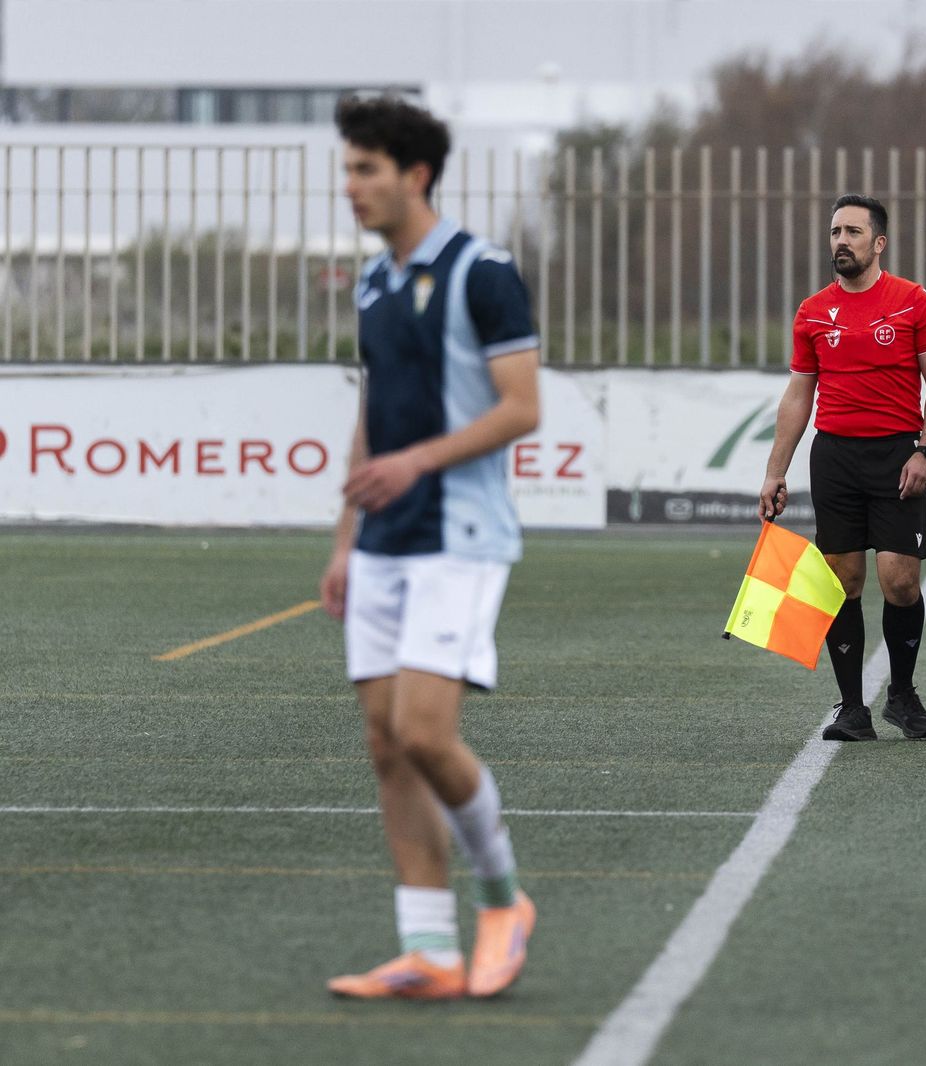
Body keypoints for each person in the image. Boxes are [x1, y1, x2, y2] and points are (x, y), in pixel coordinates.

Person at [318, 96, 541, 1000]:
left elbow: (522, 408)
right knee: (384, 744)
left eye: (365, 169)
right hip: (385, 543)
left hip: (462, 534)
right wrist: (344, 542)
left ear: (415, 175)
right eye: (346, 169)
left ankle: (503, 900)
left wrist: (417, 463)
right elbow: (371, 417)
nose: (351, 186)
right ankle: (428, 950)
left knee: (423, 731)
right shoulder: (373, 282)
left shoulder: (483, 273)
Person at [758, 193, 926, 742]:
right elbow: (799, 395)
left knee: (900, 581)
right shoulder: (813, 310)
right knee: (842, 581)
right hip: (836, 457)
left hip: (897, 454)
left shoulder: (914, 301)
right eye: (835, 232)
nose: (841, 241)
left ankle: (902, 694)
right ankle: (851, 708)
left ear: (879, 243)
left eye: (852, 232)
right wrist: (776, 470)